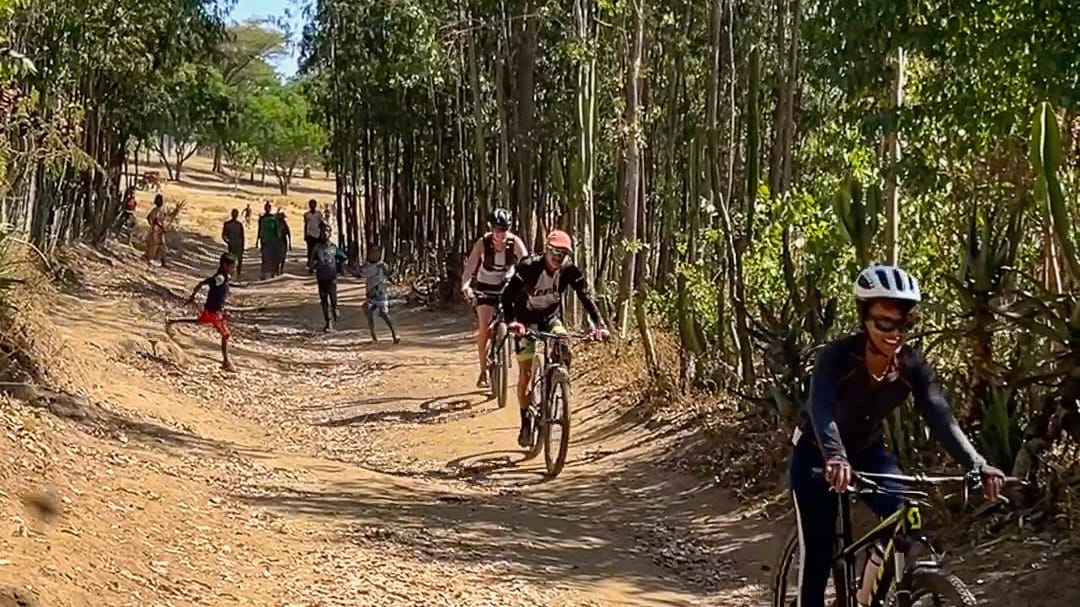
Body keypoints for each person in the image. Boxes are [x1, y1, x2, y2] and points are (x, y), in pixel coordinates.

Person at [790, 263, 1006, 607]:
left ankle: (868, 594)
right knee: (817, 553)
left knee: (906, 517)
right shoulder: (836, 358)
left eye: (903, 324)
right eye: (884, 323)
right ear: (864, 320)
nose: (894, 333)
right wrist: (835, 455)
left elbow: (940, 417)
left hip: (868, 451)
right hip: (818, 454)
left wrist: (977, 464)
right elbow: (821, 409)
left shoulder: (911, 366)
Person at [501, 230, 610, 447]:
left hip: (550, 318)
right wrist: (512, 321)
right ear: (546, 250)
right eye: (554, 252)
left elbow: (585, 296)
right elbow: (507, 296)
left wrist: (599, 325)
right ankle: (525, 421)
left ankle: (557, 379)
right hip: (525, 322)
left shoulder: (569, 270)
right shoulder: (529, 267)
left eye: (563, 254)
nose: (558, 258)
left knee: (562, 338)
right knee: (526, 375)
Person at [461, 208, 529, 389]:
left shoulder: (515, 242)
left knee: (519, 321)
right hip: (485, 287)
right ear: (491, 229)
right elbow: (471, 267)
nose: (500, 234)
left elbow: (527, 264)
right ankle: (484, 370)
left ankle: (518, 355)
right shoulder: (483, 243)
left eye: (504, 229)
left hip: (507, 285)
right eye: (497, 230)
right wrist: (466, 285)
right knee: (484, 328)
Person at [166, 253, 237, 372]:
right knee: (226, 335)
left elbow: (204, 284)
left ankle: (172, 321)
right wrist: (192, 296)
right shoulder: (220, 278)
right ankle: (226, 362)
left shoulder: (223, 277)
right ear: (225, 265)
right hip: (214, 311)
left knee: (200, 321)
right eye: (232, 267)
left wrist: (193, 296)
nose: (233, 269)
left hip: (212, 309)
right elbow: (205, 282)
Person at [307, 222, 346, 332]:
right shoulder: (317, 248)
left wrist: (341, 267)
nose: (324, 233)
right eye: (323, 231)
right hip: (321, 277)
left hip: (332, 276)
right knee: (324, 299)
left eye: (327, 231)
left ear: (330, 233)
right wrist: (313, 266)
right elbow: (311, 263)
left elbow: (343, 258)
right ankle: (328, 321)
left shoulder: (334, 248)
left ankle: (335, 308)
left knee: (333, 297)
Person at [361, 247, 400, 344]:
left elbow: (390, 276)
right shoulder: (367, 266)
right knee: (368, 312)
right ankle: (374, 336)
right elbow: (360, 274)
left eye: (376, 253)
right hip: (370, 294)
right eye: (372, 253)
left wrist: (388, 273)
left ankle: (394, 334)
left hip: (381, 294)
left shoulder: (382, 265)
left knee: (384, 314)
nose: (373, 255)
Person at [255, 202, 279, 280]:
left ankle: (273, 272)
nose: (267, 209)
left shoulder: (274, 218)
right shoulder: (262, 218)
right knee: (265, 257)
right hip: (264, 240)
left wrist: (278, 238)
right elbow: (260, 229)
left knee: (273, 257)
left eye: (269, 207)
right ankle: (264, 273)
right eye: (266, 207)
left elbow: (277, 229)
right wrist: (257, 240)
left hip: (273, 240)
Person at [144, 193, 167, 267]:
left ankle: (161, 261)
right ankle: (151, 260)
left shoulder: (158, 210)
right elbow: (155, 221)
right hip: (157, 230)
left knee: (159, 245)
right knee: (155, 245)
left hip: (156, 229)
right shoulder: (156, 210)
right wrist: (161, 227)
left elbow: (148, 217)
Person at [221, 209, 245, 278]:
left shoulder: (239, 225)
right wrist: (227, 241)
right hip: (231, 245)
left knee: (239, 259)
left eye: (236, 214)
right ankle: (230, 274)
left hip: (238, 245)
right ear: (231, 214)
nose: (235, 215)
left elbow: (242, 236)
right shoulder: (227, 224)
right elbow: (223, 235)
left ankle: (238, 274)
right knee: (231, 259)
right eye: (233, 214)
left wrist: (242, 246)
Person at [303, 199, 325, 265]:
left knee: (317, 249)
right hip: (310, 234)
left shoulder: (319, 214)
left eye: (313, 204)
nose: (312, 206)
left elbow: (321, 224)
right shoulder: (307, 214)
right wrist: (305, 234)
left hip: (317, 234)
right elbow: (306, 224)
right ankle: (310, 262)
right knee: (310, 249)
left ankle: (316, 262)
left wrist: (322, 233)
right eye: (311, 204)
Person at [276, 209, 292, 276]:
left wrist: (290, 243)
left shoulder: (281, 224)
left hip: (282, 241)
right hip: (280, 241)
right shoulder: (277, 224)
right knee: (280, 256)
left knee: (281, 256)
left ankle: (279, 268)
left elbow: (288, 233)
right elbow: (288, 233)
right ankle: (279, 268)